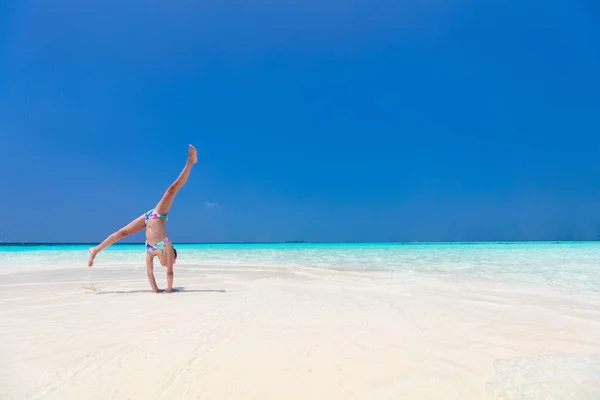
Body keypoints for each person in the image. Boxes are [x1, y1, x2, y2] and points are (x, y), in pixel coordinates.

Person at [87, 144, 198, 293]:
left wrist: (156, 291)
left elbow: (150, 273)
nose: (166, 264)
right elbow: (170, 273)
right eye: (170, 262)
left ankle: (95, 250)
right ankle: (190, 162)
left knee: (122, 233)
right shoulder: (167, 247)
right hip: (158, 214)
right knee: (172, 190)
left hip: (147, 218)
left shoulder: (151, 251)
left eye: (166, 263)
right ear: (173, 258)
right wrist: (170, 290)